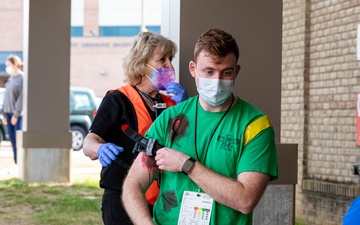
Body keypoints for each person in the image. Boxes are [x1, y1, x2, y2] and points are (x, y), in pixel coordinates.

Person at [122, 28, 279, 225]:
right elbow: (134, 183)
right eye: (209, 71)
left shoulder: (255, 125)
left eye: (226, 73)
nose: (217, 81)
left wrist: (186, 165)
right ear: (193, 69)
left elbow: (245, 200)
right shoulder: (170, 118)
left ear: (237, 71)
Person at [83, 31, 188, 225]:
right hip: (123, 198)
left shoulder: (173, 103)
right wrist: (100, 149)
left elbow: (189, 144)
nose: (170, 66)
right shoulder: (117, 100)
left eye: (170, 59)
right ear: (142, 65)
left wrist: (188, 110)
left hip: (166, 199)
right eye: (162, 60)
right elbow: (89, 142)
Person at [3, 55, 23, 166]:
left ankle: (20, 162)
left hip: (17, 115)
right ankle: (16, 162)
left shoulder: (22, 78)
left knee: (17, 139)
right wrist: (4, 113)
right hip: (8, 114)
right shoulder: (10, 78)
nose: (7, 67)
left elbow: (21, 98)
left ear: (15, 64)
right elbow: (7, 98)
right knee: (11, 139)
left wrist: (16, 115)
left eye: (8, 65)